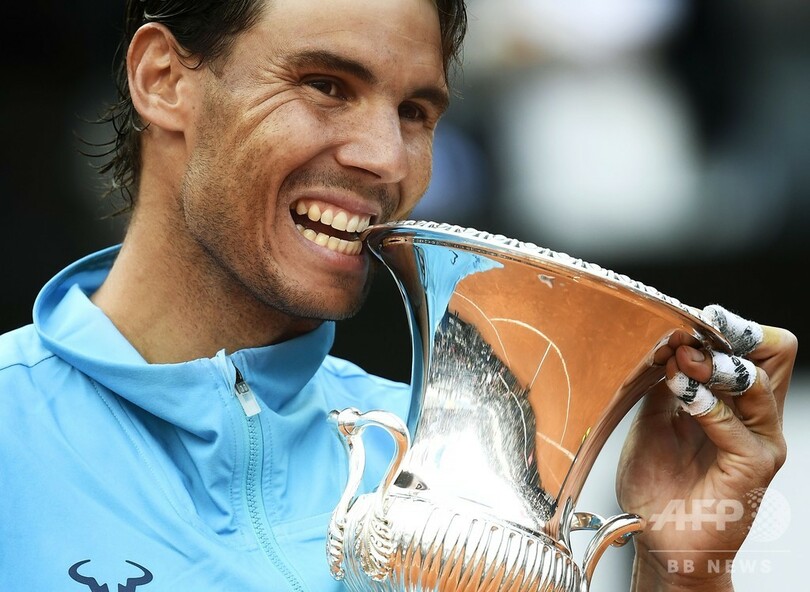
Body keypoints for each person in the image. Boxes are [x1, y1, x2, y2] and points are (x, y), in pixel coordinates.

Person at [0, 1, 796, 591]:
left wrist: (683, 573)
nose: (387, 159)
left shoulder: (475, 469)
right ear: (162, 79)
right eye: (325, 85)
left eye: (415, 111)